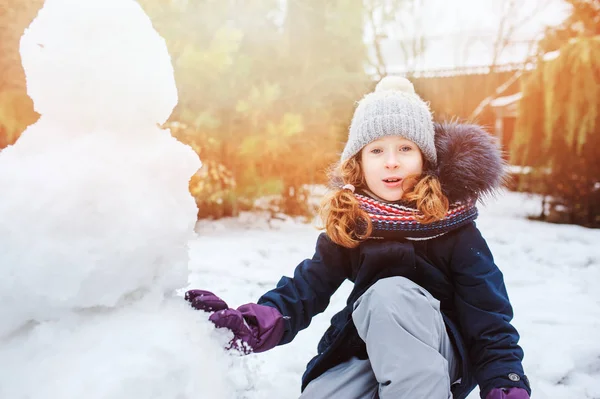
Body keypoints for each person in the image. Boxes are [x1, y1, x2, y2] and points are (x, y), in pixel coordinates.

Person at [185, 76, 531, 399]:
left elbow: (489, 317)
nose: (391, 162)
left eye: (406, 149)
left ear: (426, 159)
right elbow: (308, 287)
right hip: (369, 348)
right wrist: (254, 322)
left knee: (390, 293)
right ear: (359, 163)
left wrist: (505, 380)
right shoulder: (355, 223)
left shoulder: (455, 227)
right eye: (377, 150)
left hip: (441, 355)